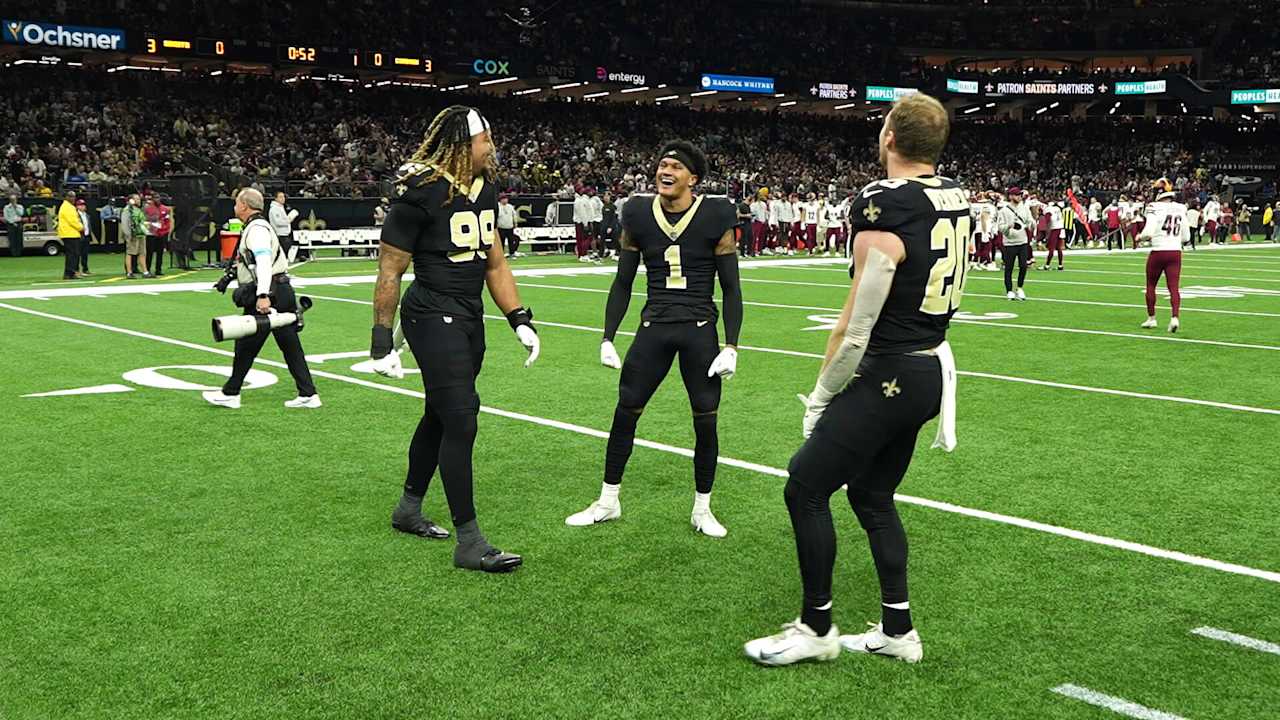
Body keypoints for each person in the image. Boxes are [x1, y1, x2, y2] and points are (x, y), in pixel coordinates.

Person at [744, 92, 963, 666]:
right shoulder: (955, 197)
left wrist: (821, 394)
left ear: (890, 137)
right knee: (871, 494)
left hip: (890, 370)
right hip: (930, 367)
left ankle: (816, 627)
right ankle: (898, 630)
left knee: (804, 484)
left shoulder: (881, 202)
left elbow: (856, 323)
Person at [368, 105, 538, 573]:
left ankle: (408, 508)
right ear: (464, 144)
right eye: (486, 140)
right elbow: (390, 270)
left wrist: (519, 317)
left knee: (441, 415)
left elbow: (495, 262)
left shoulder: (487, 189)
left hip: (467, 315)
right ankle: (469, 542)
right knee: (462, 418)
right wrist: (382, 341)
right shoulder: (420, 191)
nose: (493, 148)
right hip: (431, 312)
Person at [565, 140, 742, 538]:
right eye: (662, 164)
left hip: (699, 329)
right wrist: (607, 336)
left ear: (692, 179)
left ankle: (702, 509)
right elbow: (623, 280)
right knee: (625, 409)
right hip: (654, 326)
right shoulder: (638, 213)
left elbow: (731, 287)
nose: (666, 170)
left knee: (705, 419)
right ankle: (608, 501)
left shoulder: (716, 213)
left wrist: (731, 345)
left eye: (675, 167)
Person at [203, 189, 320, 409]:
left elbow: (264, 263)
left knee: (247, 344)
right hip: (280, 291)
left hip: (270, 292)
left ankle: (231, 392)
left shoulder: (256, 229)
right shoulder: (258, 226)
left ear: (245, 206)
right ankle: (308, 393)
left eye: (237, 202)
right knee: (289, 344)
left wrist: (263, 295)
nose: (234, 206)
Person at [1138, 179, 1188, 333]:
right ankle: (1174, 317)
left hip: (1159, 251)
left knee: (1151, 285)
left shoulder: (1154, 207)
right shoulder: (1180, 208)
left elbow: (1148, 232)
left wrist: (1140, 237)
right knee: (1173, 287)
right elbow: (1186, 237)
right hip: (1175, 251)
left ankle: (1152, 318)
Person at [997, 187, 1033, 300]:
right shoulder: (1003, 210)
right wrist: (1009, 225)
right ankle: (1009, 290)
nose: (1019, 197)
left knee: (1023, 266)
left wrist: (1032, 223)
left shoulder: (1025, 208)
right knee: (1009, 268)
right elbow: (1000, 227)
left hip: (1022, 241)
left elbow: (1030, 221)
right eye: (1017, 195)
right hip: (1009, 243)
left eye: (1020, 195)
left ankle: (1020, 288)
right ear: (1011, 196)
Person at [121, 194, 150, 278]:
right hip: (132, 235)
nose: (139, 200)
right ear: (131, 200)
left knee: (142, 253)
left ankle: (145, 272)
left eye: (139, 199)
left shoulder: (138, 209)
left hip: (141, 234)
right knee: (130, 253)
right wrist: (128, 235)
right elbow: (125, 223)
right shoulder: (127, 210)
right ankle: (129, 272)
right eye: (136, 199)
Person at [57, 191, 83, 279]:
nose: (73, 198)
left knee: (71, 254)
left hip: (68, 233)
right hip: (70, 233)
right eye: (71, 196)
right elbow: (73, 221)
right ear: (67, 197)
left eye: (74, 196)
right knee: (73, 254)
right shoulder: (68, 207)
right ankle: (71, 273)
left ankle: (69, 273)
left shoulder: (66, 206)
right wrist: (81, 227)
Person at [144, 195, 172, 277]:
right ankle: (147, 269)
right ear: (152, 199)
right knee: (149, 252)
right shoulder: (148, 209)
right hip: (151, 234)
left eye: (158, 198)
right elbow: (145, 220)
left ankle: (158, 269)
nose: (157, 199)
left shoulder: (166, 209)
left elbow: (167, 221)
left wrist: (164, 230)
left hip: (162, 234)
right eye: (155, 198)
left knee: (160, 252)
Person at [269, 191, 298, 258]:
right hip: (280, 235)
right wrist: (289, 219)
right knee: (282, 255)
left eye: (283, 197)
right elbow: (278, 222)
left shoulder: (280, 207)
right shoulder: (274, 209)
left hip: (284, 234)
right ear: (276, 199)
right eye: (280, 197)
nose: (283, 198)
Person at [497, 193, 519, 257]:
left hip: (509, 227)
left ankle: (512, 252)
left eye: (506, 199)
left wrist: (515, 222)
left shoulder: (510, 206)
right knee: (501, 241)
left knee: (511, 241)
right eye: (503, 199)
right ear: (500, 200)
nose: (505, 200)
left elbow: (514, 215)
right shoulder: (497, 206)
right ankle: (501, 254)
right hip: (501, 227)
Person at [76, 198, 93, 276]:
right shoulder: (76, 214)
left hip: (86, 236)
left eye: (83, 205)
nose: (83, 206)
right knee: (77, 254)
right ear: (77, 206)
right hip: (80, 236)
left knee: (85, 254)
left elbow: (88, 225)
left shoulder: (86, 215)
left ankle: (85, 269)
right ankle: (77, 270)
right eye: (81, 205)